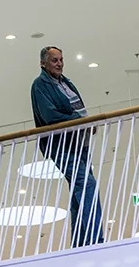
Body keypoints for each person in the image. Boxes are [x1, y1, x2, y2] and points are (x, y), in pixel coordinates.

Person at [30, 47, 105, 248]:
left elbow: (78, 108)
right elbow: (50, 116)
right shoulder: (40, 85)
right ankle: (96, 240)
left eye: (61, 59)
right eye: (54, 60)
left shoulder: (66, 82)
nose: (59, 63)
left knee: (78, 190)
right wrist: (80, 120)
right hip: (62, 145)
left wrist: (86, 123)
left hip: (80, 143)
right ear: (43, 63)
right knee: (87, 184)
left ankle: (80, 243)